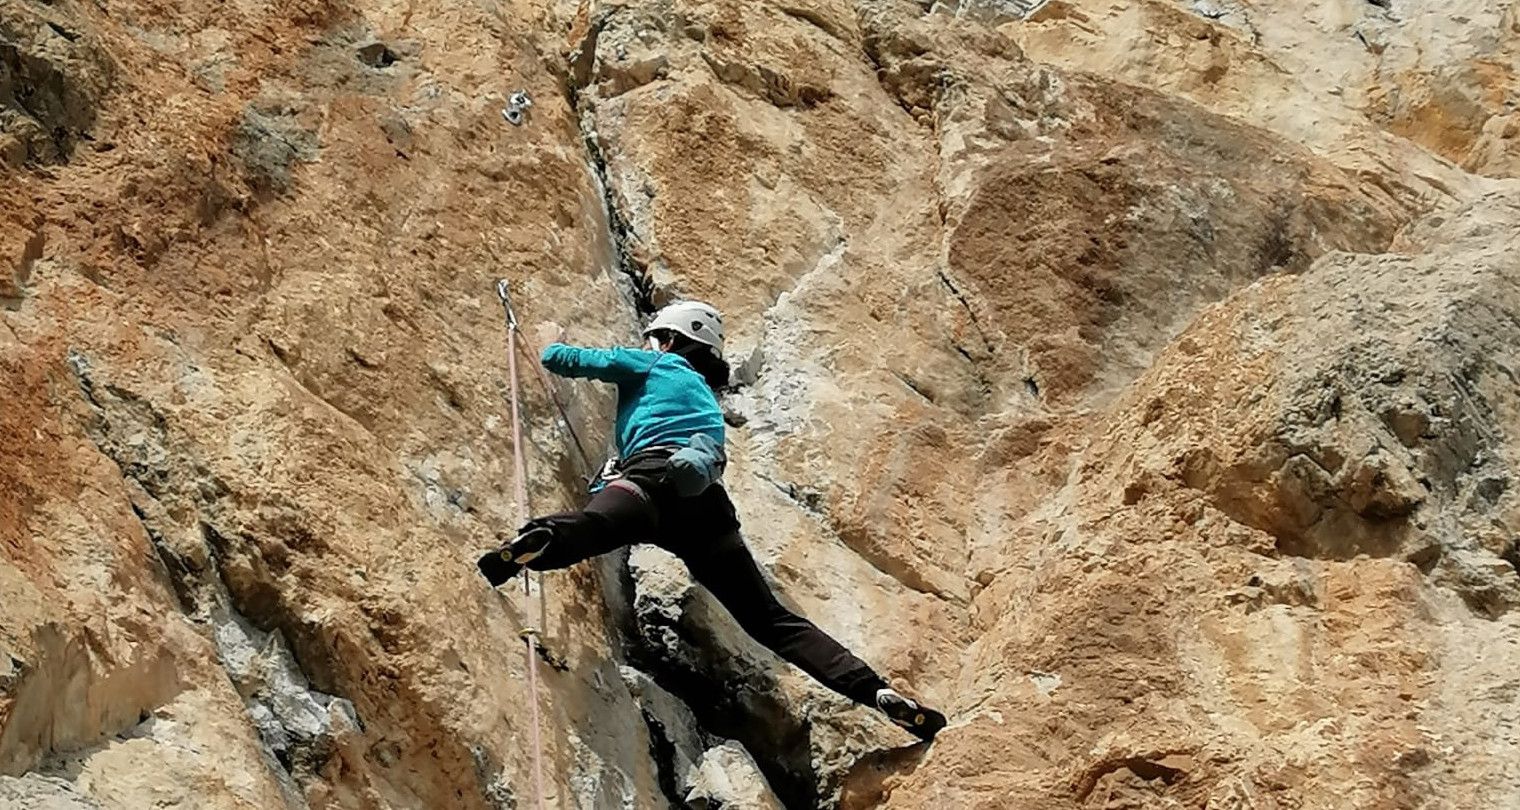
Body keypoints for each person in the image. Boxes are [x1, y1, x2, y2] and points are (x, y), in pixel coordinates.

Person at [477, 301, 947, 741]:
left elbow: (569, 359)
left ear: (669, 338)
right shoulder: (705, 399)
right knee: (774, 623)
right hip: (705, 510)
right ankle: (873, 691)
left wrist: (547, 339)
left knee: (595, 527)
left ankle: (540, 539)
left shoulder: (656, 363)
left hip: (646, 483)